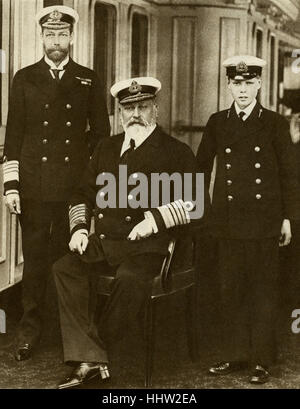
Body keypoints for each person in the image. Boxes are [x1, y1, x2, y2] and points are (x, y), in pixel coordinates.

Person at [53, 76, 203, 389]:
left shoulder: (176, 151)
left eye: (142, 107)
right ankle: (93, 356)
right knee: (64, 268)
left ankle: (94, 355)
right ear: (120, 113)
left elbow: (198, 202)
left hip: (150, 247)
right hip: (106, 242)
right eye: (128, 107)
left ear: (156, 110)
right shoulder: (105, 148)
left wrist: (156, 218)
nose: (135, 114)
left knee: (130, 279)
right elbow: (81, 193)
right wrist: (80, 229)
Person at [2, 5, 110, 361]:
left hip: (72, 191)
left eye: (62, 35)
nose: (56, 42)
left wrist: (91, 186)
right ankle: (30, 333)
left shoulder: (89, 79)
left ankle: (72, 335)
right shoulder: (24, 78)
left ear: (72, 37)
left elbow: (102, 138)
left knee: (72, 262)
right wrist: (11, 187)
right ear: (42, 37)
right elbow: (14, 136)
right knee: (33, 263)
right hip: (33, 188)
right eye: (50, 35)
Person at [196, 55, 299, 384]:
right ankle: (234, 355)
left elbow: (290, 176)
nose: (242, 89)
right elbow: (200, 168)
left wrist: (288, 219)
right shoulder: (217, 122)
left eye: (248, 83)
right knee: (230, 288)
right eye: (236, 83)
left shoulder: (274, 123)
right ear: (228, 85)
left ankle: (261, 360)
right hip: (226, 222)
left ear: (259, 85)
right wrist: (203, 209)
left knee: (262, 291)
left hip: (264, 221)